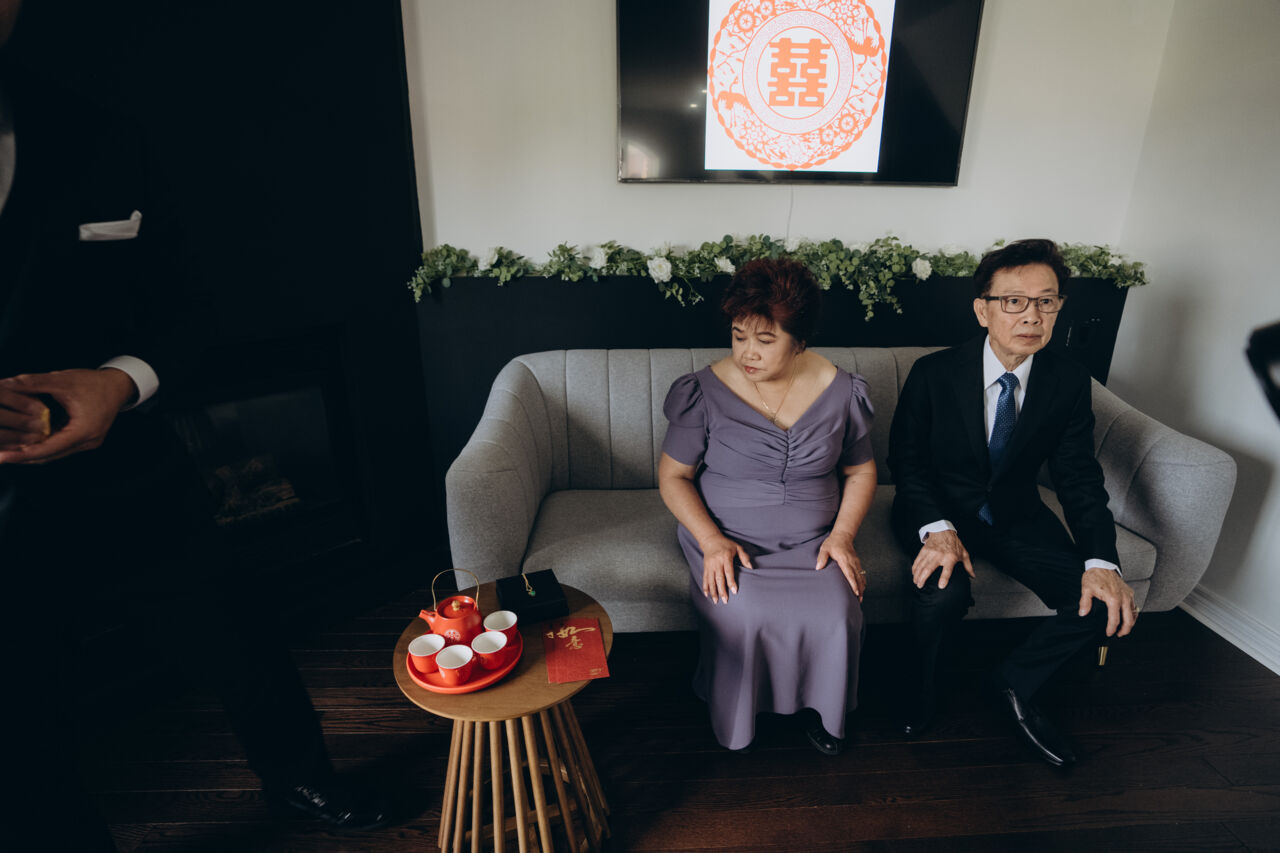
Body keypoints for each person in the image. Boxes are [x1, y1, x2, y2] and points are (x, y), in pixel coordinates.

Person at [0, 2, 387, 848]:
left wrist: (118, 383)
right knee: (19, 723)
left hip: (130, 472)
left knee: (242, 638)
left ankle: (303, 778)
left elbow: (186, 307)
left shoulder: (99, 131)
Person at [888, 238, 1137, 767]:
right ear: (983, 310)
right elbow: (907, 464)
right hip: (938, 511)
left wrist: (1101, 561)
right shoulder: (933, 372)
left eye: (1046, 302)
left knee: (1097, 603)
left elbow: (1078, 477)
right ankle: (921, 692)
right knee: (942, 597)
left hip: (1016, 514)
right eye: (1014, 301)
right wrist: (937, 528)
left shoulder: (1069, 381)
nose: (1032, 316)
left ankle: (1012, 681)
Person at [657, 258, 877, 754]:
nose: (747, 353)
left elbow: (861, 471)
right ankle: (740, 717)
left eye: (764, 340)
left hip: (816, 541)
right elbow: (673, 476)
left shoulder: (843, 390)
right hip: (727, 537)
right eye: (738, 336)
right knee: (748, 613)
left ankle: (822, 713)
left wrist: (842, 536)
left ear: (800, 342)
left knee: (838, 612)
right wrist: (711, 541)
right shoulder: (702, 391)